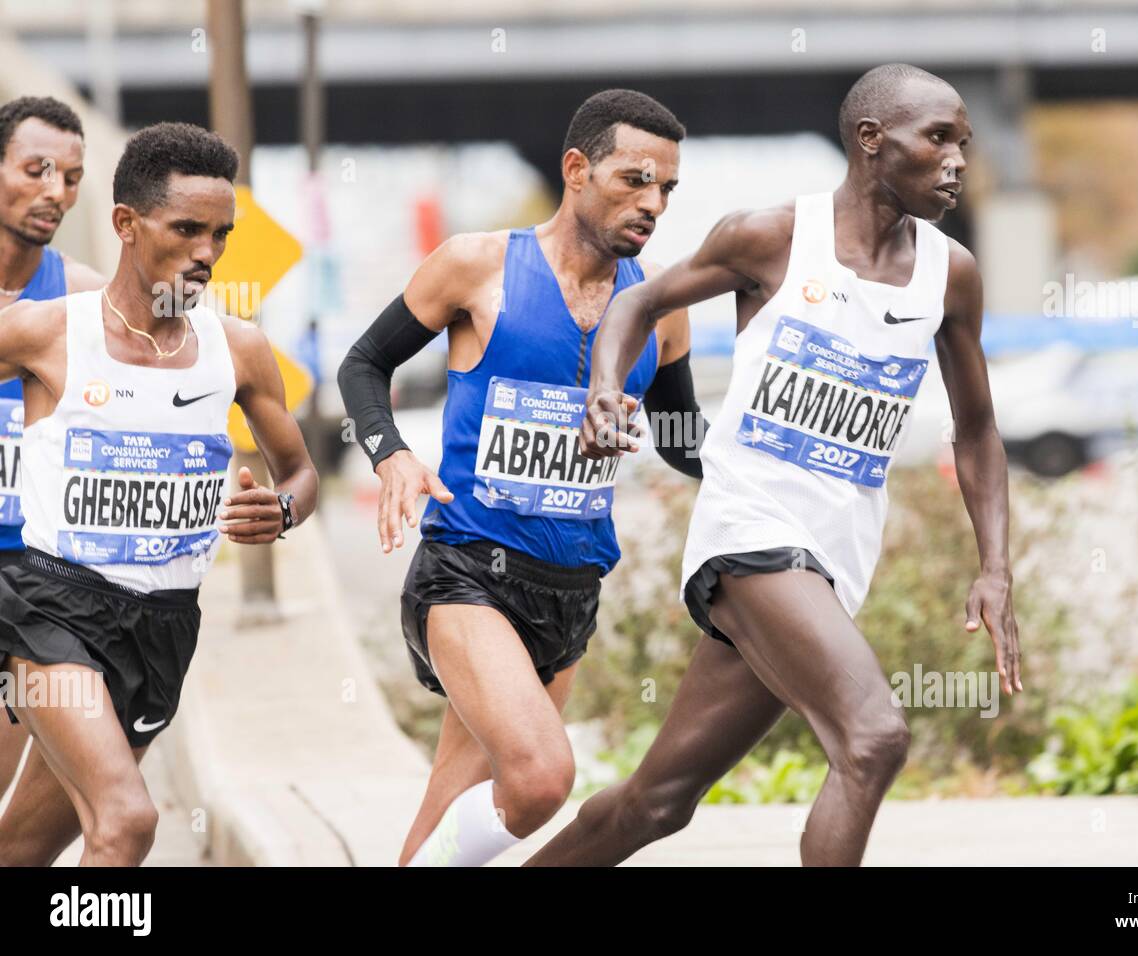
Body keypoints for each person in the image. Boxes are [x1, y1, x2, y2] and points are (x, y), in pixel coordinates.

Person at [527, 64, 1022, 867]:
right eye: (938, 139)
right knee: (873, 739)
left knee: (658, 804)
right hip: (750, 535)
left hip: (831, 565)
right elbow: (639, 303)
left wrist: (995, 566)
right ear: (871, 141)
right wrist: (607, 389)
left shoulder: (949, 275)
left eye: (963, 143)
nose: (958, 160)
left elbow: (978, 431)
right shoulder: (774, 238)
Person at [338, 89, 707, 867]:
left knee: (449, 813)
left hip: (570, 590)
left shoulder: (659, 305)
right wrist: (392, 452)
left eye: (667, 188)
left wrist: (773, 451)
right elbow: (364, 363)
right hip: (469, 573)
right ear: (576, 169)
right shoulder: (479, 265)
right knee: (540, 779)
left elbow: (682, 440)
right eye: (634, 180)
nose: (654, 203)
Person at [0, 122, 318, 866]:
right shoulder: (48, 331)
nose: (206, 254)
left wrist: (282, 510)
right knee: (127, 820)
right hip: (54, 610)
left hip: (163, 627)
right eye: (186, 230)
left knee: (21, 847)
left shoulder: (237, 349)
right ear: (126, 225)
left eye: (220, 235)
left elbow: (297, 471)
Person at [0, 96, 107, 804]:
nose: (55, 192)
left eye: (70, 177)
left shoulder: (83, 300)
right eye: (36, 170)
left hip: (25, 583)